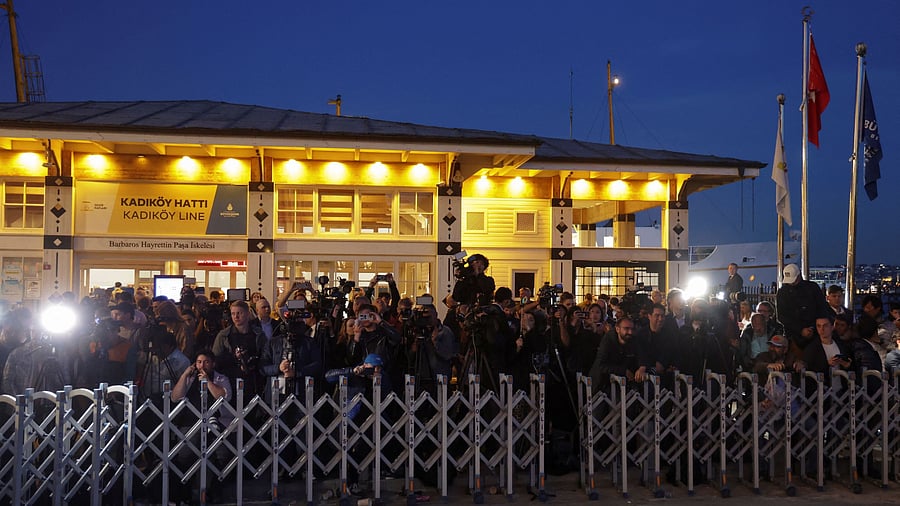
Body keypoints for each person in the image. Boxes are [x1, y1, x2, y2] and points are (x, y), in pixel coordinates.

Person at [211, 300, 265, 395]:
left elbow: (265, 355)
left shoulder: (258, 334)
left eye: (239, 313)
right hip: (230, 379)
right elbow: (215, 359)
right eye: (233, 314)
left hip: (254, 379)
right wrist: (234, 357)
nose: (236, 317)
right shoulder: (223, 335)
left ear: (248, 314)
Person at [776, 264, 828, 352]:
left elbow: (822, 309)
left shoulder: (812, 288)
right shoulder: (782, 293)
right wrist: (800, 330)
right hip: (793, 335)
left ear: (799, 276)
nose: (792, 283)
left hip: (814, 333)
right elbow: (782, 316)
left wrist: (813, 328)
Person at [588, 316, 647, 391]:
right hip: (603, 383)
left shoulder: (634, 338)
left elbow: (641, 354)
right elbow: (601, 365)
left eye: (632, 329)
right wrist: (623, 371)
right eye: (626, 328)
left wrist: (642, 367)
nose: (630, 332)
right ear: (617, 329)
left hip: (625, 383)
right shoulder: (608, 340)